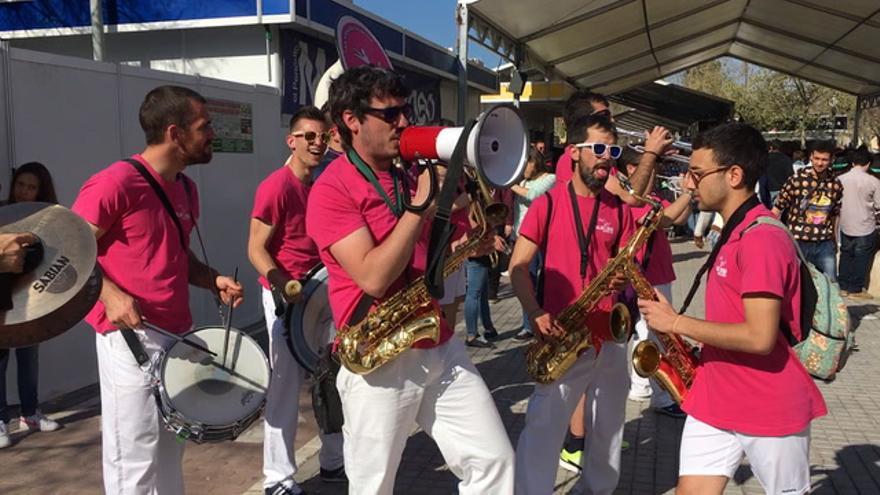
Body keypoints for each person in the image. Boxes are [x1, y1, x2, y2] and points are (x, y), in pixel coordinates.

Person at [305, 65, 514, 494]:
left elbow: (420, 262)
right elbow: (375, 276)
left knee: (494, 462)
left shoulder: (405, 175)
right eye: (390, 113)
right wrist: (421, 205)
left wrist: (465, 247)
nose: (404, 122)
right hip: (379, 358)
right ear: (351, 120)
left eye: (405, 110)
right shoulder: (332, 189)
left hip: (436, 342)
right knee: (373, 486)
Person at [638, 122, 827, 495]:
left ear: (734, 175)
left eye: (696, 173)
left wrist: (677, 321)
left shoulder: (762, 239)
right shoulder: (733, 231)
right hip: (715, 396)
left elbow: (759, 337)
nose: (688, 184)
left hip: (767, 403)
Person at [72, 85, 243, 494]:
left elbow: (175, 256)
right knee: (134, 453)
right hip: (128, 339)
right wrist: (110, 294)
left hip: (176, 336)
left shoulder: (185, 188)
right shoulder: (116, 183)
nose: (212, 135)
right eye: (204, 127)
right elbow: (68, 253)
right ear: (175, 133)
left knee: (170, 448)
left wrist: (210, 278)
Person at [511, 113, 663, 494]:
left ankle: (596, 490)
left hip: (607, 334)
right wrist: (534, 311)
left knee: (609, 427)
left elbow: (627, 265)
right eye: (597, 149)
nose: (605, 158)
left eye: (611, 151)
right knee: (544, 428)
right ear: (574, 151)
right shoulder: (548, 203)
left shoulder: (617, 207)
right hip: (563, 332)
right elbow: (518, 267)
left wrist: (622, 276)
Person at [247, 106, 345, 495]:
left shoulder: (323, 182)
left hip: (322, 293)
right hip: (286, 297)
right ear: (292, 140)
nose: (317, 143)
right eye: (308, 136)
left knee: (332, 381)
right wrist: (281, 284)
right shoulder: (276, 186)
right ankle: (278, 479)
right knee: (286, 387)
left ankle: (333, 462)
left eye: (322, 136)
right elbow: (256, 248)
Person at [617, 149, 691, 417]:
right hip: (646, 276)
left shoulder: (653, 196)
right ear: (630, 169)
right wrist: (688, 192)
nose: (655, 170)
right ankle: (662, 397)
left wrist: (688, 195)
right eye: (649, 165)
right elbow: (663, 219)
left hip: (659, 272)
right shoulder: (630, 200)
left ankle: (641, 387)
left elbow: (679, 219)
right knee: (657, 337)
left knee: (647, 335)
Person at [0, 162, 62, 449]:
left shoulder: (48, 220)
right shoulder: (2, 213)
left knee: (29, 357)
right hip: (1, 298)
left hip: (32, 300)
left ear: (41, 190)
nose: (24, 192)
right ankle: (0, 421)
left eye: (31, 186)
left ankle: (30, 414)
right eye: (20, 185)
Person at [772, 141, 843, 281]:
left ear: (831, 160)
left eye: (824, 160)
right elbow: (778, 208)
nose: (820, 163)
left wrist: (834, 239)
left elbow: (834, 214)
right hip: (799, 241)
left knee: (831, 283)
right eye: (817, 159)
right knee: (796, 283)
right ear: (811, 157)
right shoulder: (797, 180)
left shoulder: (835, 184)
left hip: (824, 242)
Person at [510, 148, 556, 341]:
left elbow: (533, 195)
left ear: (534, 162)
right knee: (524, 281)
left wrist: (510, 183)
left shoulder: (549, 178)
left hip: (540, 238)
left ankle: (544, 317)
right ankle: (528, 324)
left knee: (541, 281)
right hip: (521, 236)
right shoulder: (523, 181)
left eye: (525, 164)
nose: (522, 169)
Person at [836, 147, 880, 298]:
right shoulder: (874, 181)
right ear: (868, 163)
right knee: (862, 256)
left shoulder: (840, 179)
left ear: (853, 162)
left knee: (846, 254)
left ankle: (842, 285)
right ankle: (855, 289)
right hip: (865, 224)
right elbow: (879, 205)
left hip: (845, 223)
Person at [763, 139, 794, 206]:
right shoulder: (787, 159)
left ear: (771, 147)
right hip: (782, 190)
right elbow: (791, 176)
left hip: (767, 189)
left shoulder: (765, 159)